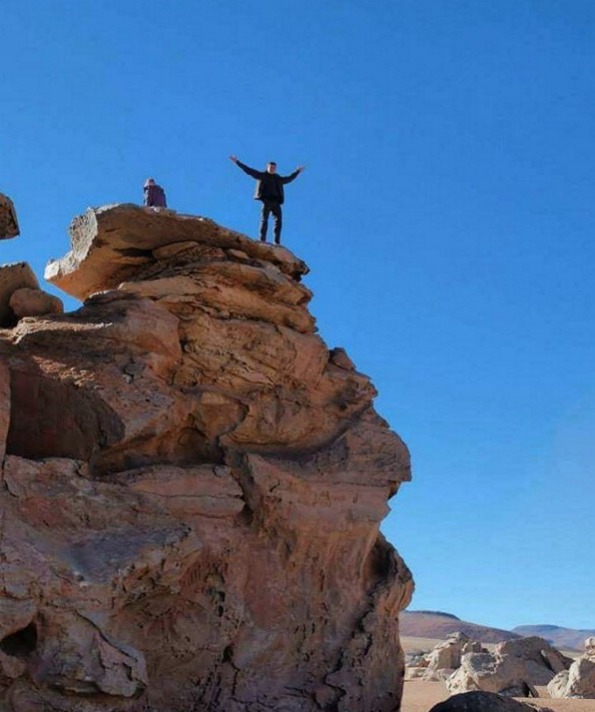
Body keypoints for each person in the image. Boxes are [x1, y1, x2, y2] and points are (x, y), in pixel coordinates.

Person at [229, 156, 304, 244]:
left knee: (278, 221)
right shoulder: (262, 176)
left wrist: (297, 172)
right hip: (266, 200)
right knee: (264, 219)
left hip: (276, 202)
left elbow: (288, 179)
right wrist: (237, 162)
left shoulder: (278, 178)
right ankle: (262, 239)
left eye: (274, 168)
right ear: (267, 167)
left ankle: (277, 241)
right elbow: (249, 171)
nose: (272, 169)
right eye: (271, 167)